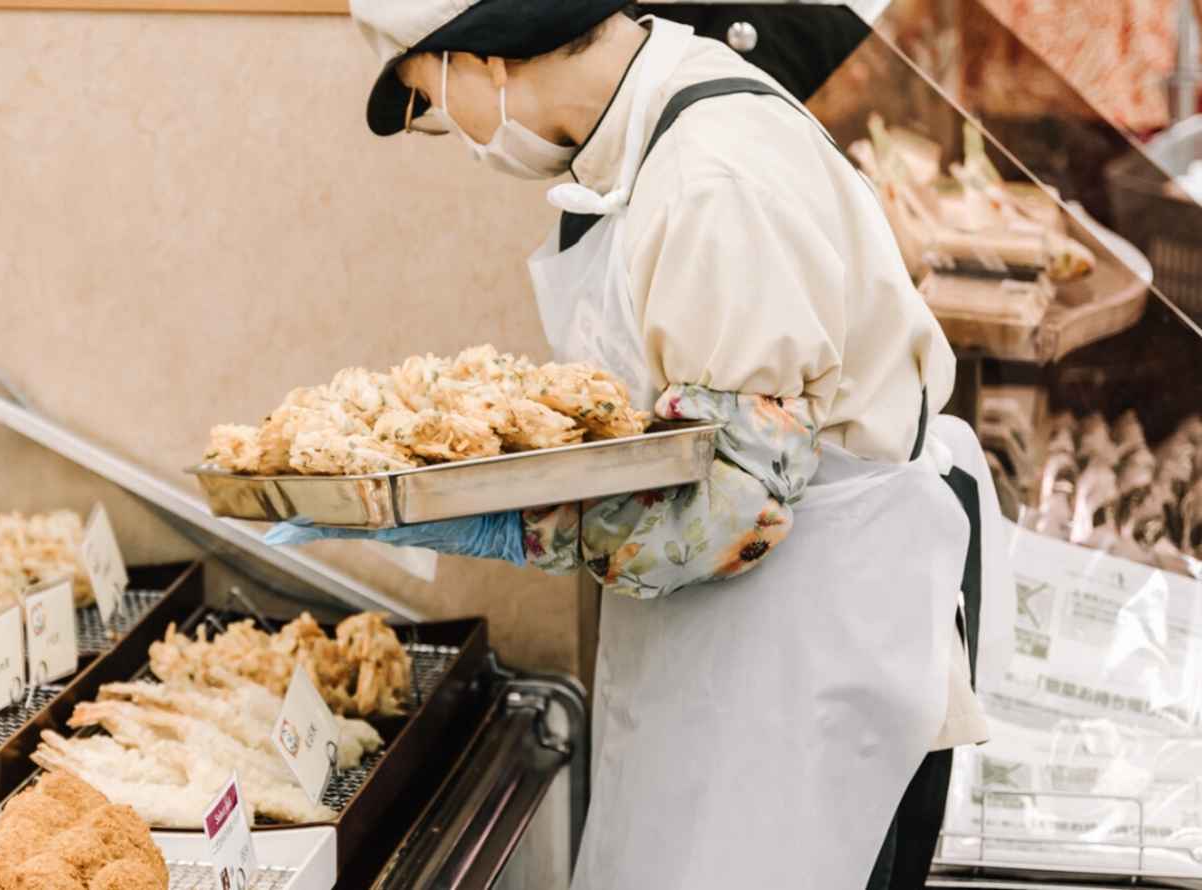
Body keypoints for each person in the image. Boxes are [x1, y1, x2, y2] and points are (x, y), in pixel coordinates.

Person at [267, 2, 1010, 887]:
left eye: (431, 102)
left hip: (797, 657)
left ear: (482, 60)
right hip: (725, 644)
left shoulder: (714, 176)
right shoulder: (649, 133)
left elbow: (741, 506)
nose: (451, 136)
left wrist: (503, 520)